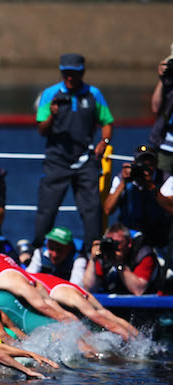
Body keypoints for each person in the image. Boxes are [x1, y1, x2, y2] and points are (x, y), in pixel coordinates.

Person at [34, 53, 114, 251]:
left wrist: (104, 142)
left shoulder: (93, 94)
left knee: (92, 209)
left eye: (74, 73)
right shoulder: (50, 94)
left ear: (82, 72)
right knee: (47, 209)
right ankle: (38, 251)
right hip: (56, 160)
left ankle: (93, 252)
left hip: (85, 160)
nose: (70, 77)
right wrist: (52, 116)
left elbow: (107, 122)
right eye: (66, 73)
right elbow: (42, 130)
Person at [102, 146, 173, 249]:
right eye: (142, 163)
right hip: (130, 233)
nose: (146, 167)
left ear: (156, 163)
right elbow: (108, 209)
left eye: (150, 164)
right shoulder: (123, 178)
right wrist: (123, 183)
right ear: (134, 163)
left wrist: (151, 187)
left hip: (157, 233)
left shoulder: (165, 179)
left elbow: (171, 208)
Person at [83, 223, 162, 296]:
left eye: (117, 243)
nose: (113, 247)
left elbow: (138, 290)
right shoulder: (104, 252)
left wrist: (119, 264)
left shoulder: (142, 253)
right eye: (110, 243)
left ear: (129, 242)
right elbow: (89, 288)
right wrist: (93, 259)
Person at [148, 43, 173, 182]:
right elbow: (155, 108)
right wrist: (162, 80)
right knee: (162, 187)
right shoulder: (168, 83)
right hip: (166, 146)